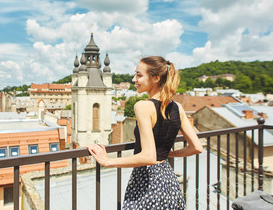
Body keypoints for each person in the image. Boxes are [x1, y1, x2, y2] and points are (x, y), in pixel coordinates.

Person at [87, 56, 203, 209]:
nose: (134, 79)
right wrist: (168, 154)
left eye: (139, 75)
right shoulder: (178, 108)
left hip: (148, 182)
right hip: (169, 182)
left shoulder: (143, 106)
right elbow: (197, 147)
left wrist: (107, 161)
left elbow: (148, 157)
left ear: (156, 78)